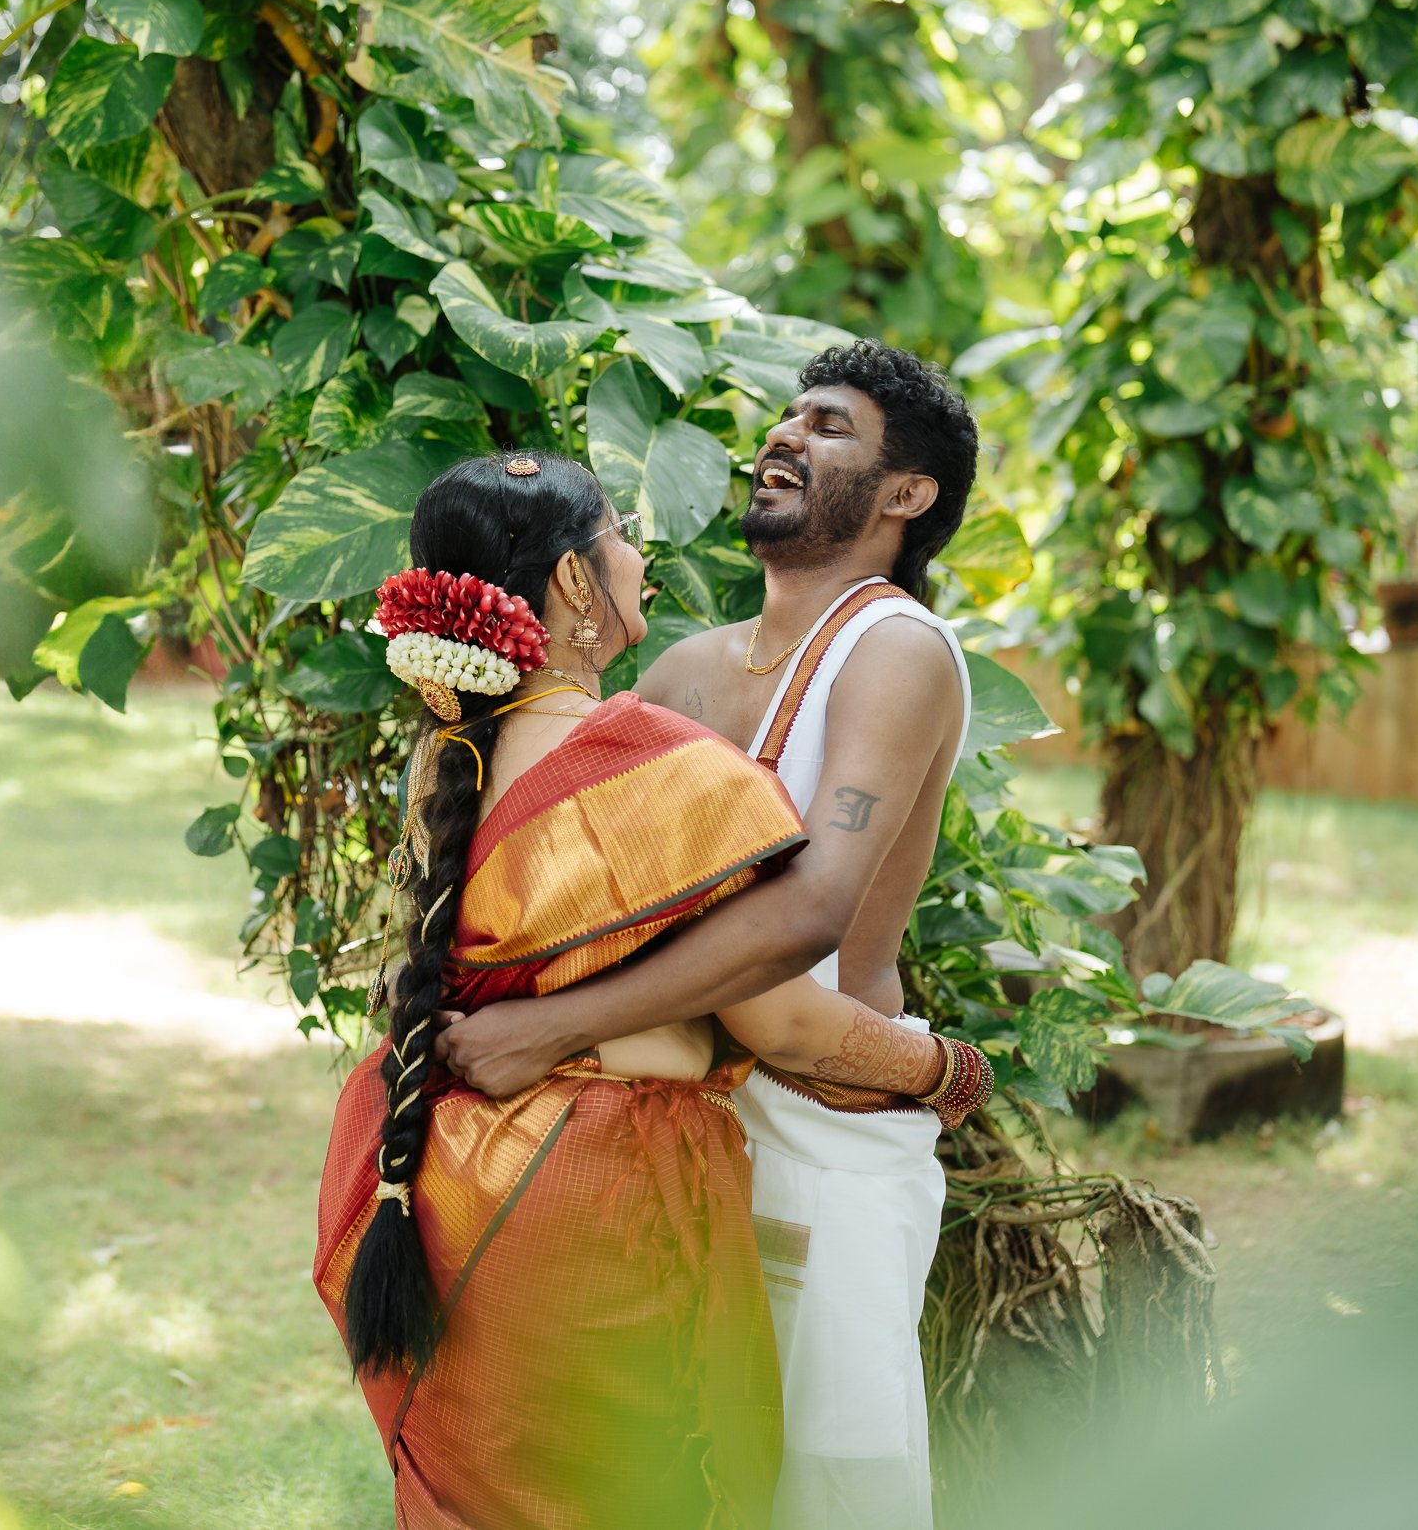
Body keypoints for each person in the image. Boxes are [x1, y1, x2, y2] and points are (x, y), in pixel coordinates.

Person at [312, 452, 986, 1530]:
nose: (638, 553)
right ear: (573, 582)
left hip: (450, 1176)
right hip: (599, 1196)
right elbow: (780, 1020)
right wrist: (946, 1068)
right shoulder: (653, 763)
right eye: (618, 534)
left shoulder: (447, 760)